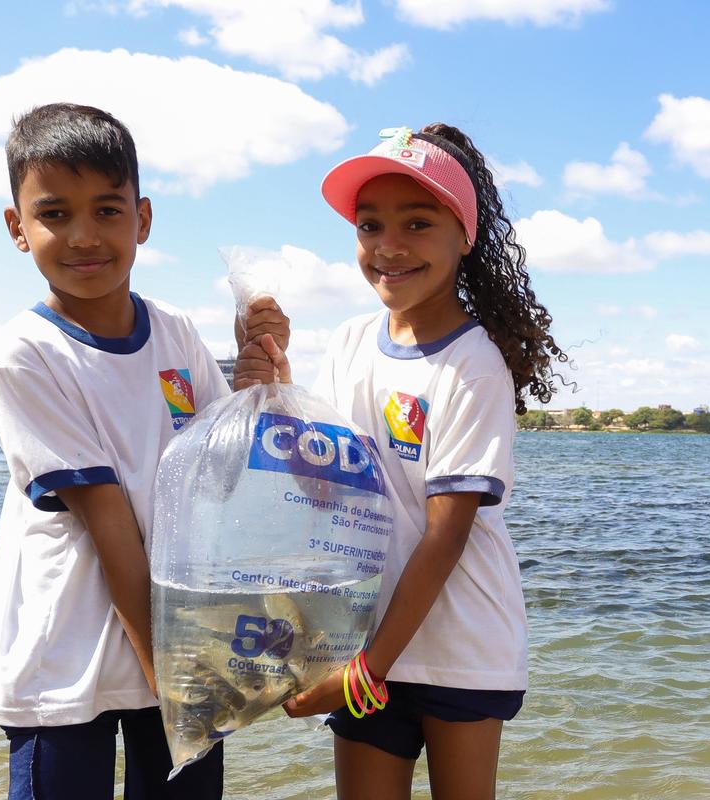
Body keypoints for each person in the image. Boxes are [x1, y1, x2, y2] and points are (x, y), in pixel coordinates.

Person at [236, 123, 566, 800]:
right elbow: (324, 490)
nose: (388, 246)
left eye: (417, 223)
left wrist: (363, 673)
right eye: (370, 224)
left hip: (461, 653)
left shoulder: (473, 365)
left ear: (463, 235)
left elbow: (446, 536)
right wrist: (273, 388)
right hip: (364, 639)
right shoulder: (353, 341)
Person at [0, 102, 286, 800]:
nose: (84, 236)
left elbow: (230, 473)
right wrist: (171, 676)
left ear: (142, 219)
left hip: (184, 645)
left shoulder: (175, 333)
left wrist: (257, 371)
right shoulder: (26, 355)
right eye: (54, 213)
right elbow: (110, 522)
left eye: (107, 211)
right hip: (68, 666)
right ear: (16, 228)